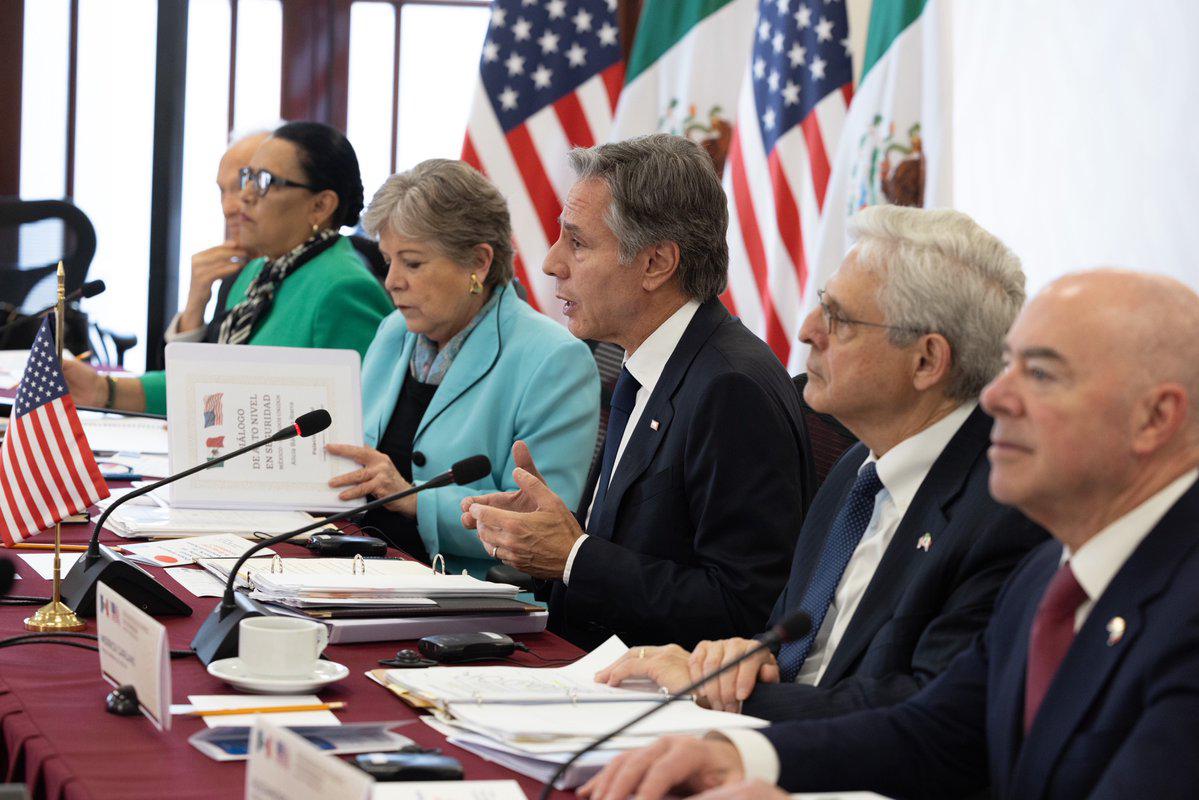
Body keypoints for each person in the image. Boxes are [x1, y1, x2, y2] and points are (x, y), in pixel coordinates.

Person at [580, 269, 1199, 800]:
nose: (996, 395)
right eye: (1008, 364)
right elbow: (939, 733)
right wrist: (740, 758)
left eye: (1040, 373)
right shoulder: (1050, 572)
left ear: (1156, 418)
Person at [594, 205, 1046, 721]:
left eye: (839, 318)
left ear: (926, 360)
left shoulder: (1003, 510)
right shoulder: (855, 472)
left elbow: (924, 711)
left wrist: (734, 696)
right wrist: (740, 660)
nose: (808, 330)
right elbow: (793, 647)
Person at [461, 134, 810, 650]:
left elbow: (745, 609)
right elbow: (642, 551)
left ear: (656, 264)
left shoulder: (731, 389)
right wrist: (546, 539)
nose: (551, 263)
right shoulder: (647, 359)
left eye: (578, 243)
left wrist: (574, 556)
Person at [325, 160, 599, 576]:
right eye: (388, 260)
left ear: (479, 262)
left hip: (464, 591)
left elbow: (540, 528)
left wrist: (413, 499)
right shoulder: (394, 330)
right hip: (353, 562)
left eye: (412, 263)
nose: (392, 281)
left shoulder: (556, 360)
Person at [63, 122, 392, 415]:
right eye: (248, 178)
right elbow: (208, 384)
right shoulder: (257, 273)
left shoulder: (344, 288)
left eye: (264, 181)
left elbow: (362, 423)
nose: (243, 197)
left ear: (320, 205)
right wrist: (102, 389)